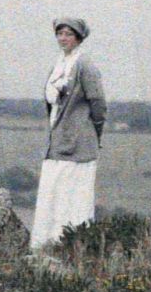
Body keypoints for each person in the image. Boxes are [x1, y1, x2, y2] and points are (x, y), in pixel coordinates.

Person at [31, 16, 105, 250]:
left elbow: (98, 103)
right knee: (52, 193)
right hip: (57, 141)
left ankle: (72, 247)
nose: (63, 39)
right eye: (59, 34)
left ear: (79, 38)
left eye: (68, 34)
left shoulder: (85, 65)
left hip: (78, 143)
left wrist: (93, 131)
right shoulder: (58, 64)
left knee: (73, 196)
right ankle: (46, 245)